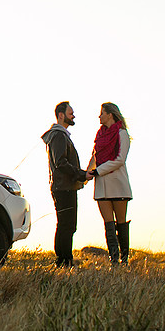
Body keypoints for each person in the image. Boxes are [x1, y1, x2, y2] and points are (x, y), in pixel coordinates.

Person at [41, 102, 88, 267]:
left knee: (65, 224)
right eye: (71, 113)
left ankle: (63, 259)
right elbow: (60, 162)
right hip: (64, 187)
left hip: (63, 186)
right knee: (67, 225)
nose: (73, 116)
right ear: (61, 115)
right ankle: (64, 260)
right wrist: (81, 174)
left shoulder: (60, 135)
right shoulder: (59, 136)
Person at [86, 103, 132, 264]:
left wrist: (98, 171)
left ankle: (124, 259)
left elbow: (120, 159)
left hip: (118, 185)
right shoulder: (100, 135)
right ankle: (114, 259)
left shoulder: (122, 134)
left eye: (102, 113)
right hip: (101, 186)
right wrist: (86, 174)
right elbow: (95, 156)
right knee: (108, 224)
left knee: (121, 223)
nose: (99, 116)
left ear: (110, 115)